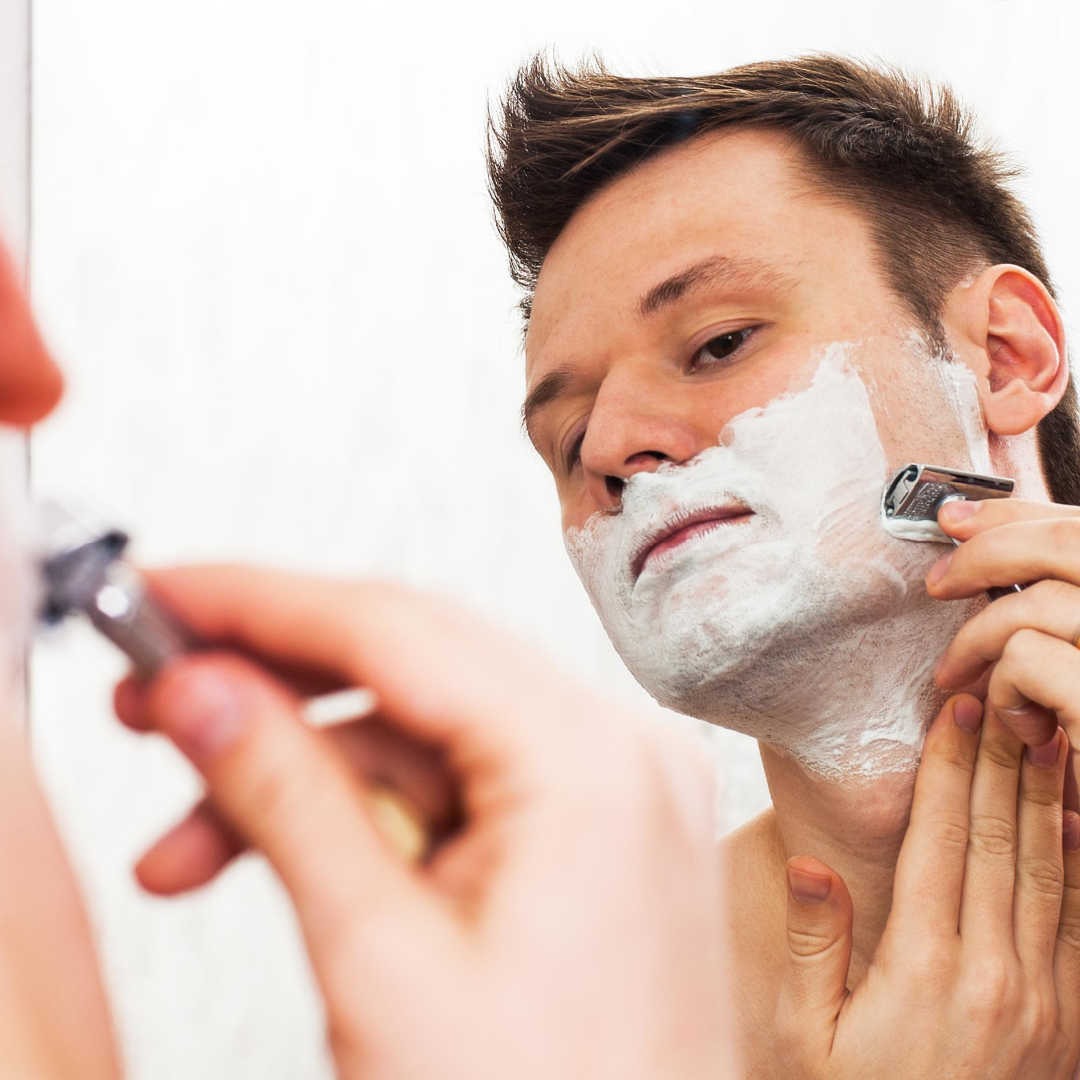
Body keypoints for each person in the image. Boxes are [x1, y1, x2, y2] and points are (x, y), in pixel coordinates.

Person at [0, 54, 1074, 1080]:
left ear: (1007, 356)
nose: (611, 447)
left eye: (718, 344)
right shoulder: (594, 1022)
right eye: (565, 441)